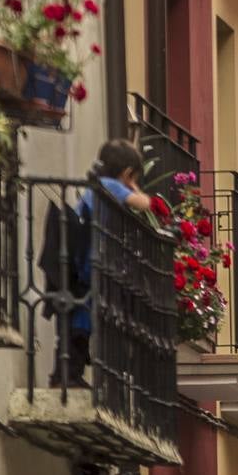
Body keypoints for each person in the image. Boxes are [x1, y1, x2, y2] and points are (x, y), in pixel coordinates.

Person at [42, 139, 152, 388]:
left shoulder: (97, 186)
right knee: (79, 325)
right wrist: (134, 187)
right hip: (89, 266)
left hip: (84, 264)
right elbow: (145, 204)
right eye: (132, 177)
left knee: (78, 324)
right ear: (126, 173)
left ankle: (67, 375)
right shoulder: (110, 186)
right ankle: (66, 377)